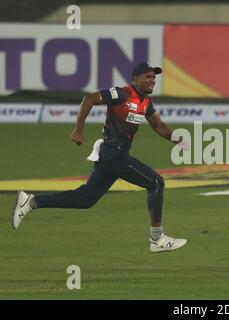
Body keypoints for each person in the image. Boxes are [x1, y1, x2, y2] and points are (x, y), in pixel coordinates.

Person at [12, 62, 187, 253]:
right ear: (135, 78)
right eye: (148, 76)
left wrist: (176, 138)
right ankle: (157, 238)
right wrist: (77, 130)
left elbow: (158, 125)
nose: (152, 80)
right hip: (114, 155)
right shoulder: (121, 93)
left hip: (112, 156)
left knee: (85, 199)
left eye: (154, 77)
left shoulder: (145, 102)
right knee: (156, 182)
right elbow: (89, 99)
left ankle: (31, 202)